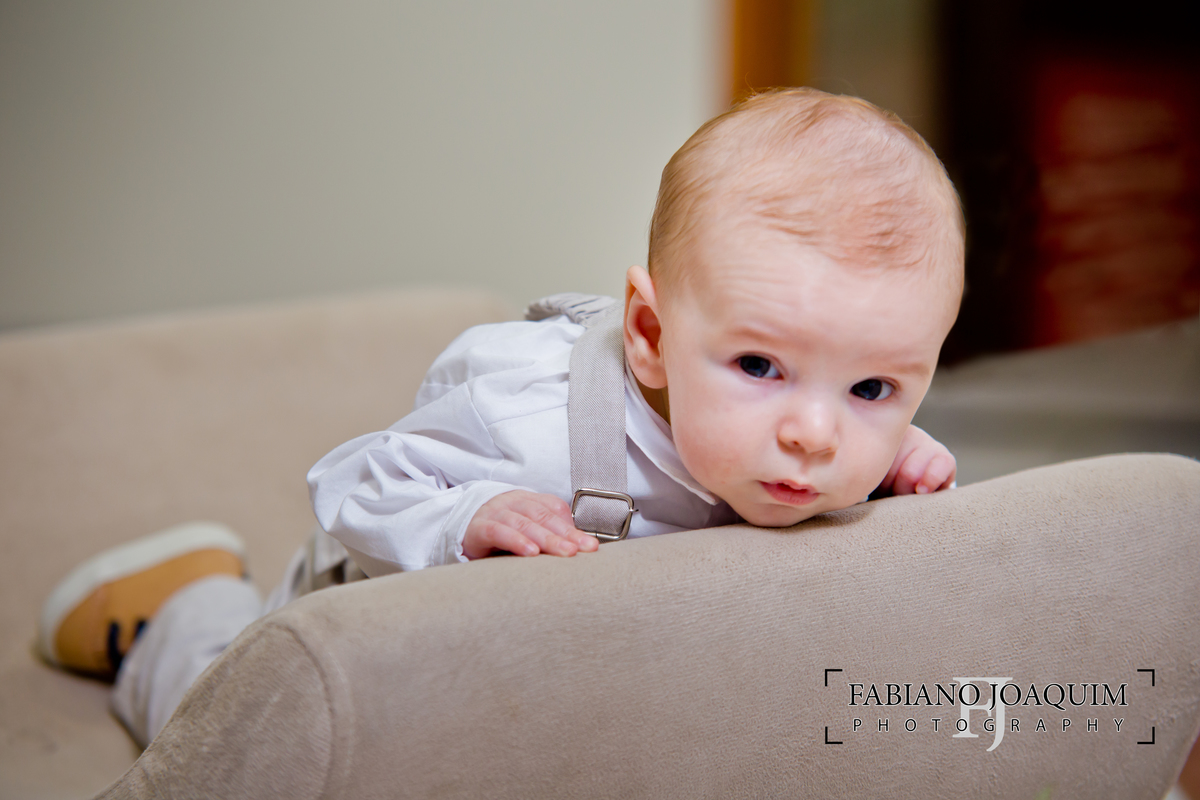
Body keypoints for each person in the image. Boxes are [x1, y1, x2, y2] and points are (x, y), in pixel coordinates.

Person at [37, 87, 964, 746]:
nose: (816, 436)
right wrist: (468, 514)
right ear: (649, 337)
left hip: (519, 682)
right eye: (760, 367)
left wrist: (899, 464)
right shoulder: (530, 418)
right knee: (225, 731)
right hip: (348, 621)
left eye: (873, 391)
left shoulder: (812, 437)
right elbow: (351, 477)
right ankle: (185, 604)